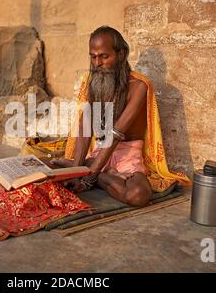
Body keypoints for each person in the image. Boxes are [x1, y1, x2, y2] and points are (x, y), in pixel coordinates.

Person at [51, 26, 152, 207]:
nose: (97, 63)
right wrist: (76, 171)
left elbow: (116, 134)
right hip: (99, 152)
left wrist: (90, 176)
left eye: (104, 56)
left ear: (121, 54)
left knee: (138, 195)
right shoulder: (95, 81)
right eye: (93, 56)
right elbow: (87, 124)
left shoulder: (139, 86)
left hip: (127, 154)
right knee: (44, 169)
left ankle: (99, 175)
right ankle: (99, 173)